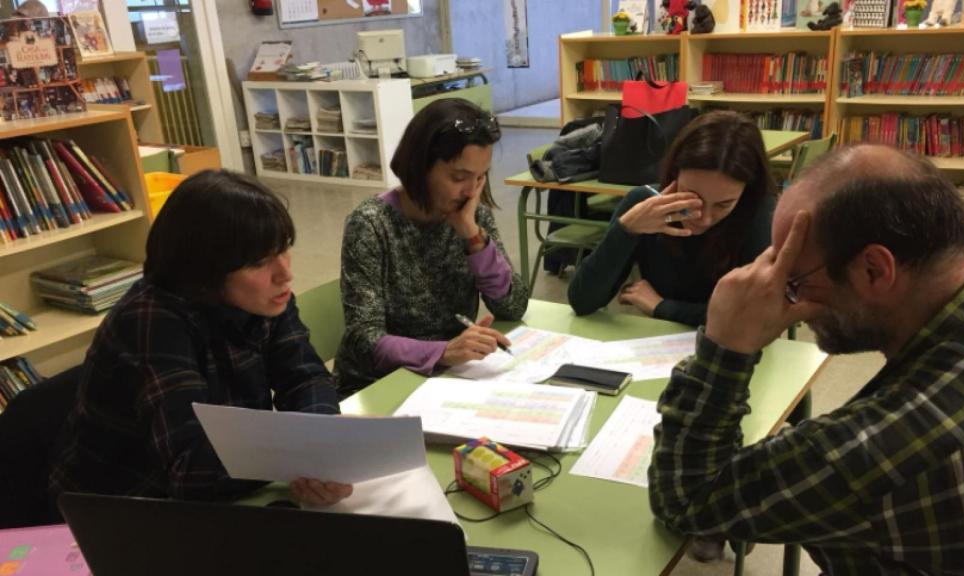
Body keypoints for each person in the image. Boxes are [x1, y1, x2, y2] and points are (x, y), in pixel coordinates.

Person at [648, 144, 964, 574]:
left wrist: (725, 347)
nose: (785, 296)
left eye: (794, 280)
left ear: (873, 271)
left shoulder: (877, 449)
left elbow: (685, 499)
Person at [51, 170, 351, 508]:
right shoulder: (150, 323)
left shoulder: (266, 297)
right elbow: (188, 468)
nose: (285, 273)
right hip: (118, 513)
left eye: (284, 250)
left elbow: (304, 378)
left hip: (217, 494)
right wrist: (299, 456)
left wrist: (323, 454)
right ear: (205, 271)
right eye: (259, 262)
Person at [335, 98, 528, 395]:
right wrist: (442, 351)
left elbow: (513, 306)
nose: (471, 190)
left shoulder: (473, 216)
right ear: (420, 166)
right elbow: (365, 338)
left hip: (449, 376)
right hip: (379, 384)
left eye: (480, 177)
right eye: (459, 177)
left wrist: (473, 237)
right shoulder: (371, 224)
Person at [568, 110, 777, 328]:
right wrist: (625, 230)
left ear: (746, 191)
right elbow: (582, 302)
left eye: (723, 205)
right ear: (674, 173)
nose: (704, 218)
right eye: (693, 197)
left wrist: (662, 307)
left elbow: (754, 317)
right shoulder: (645, 204)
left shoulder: (760, 212)